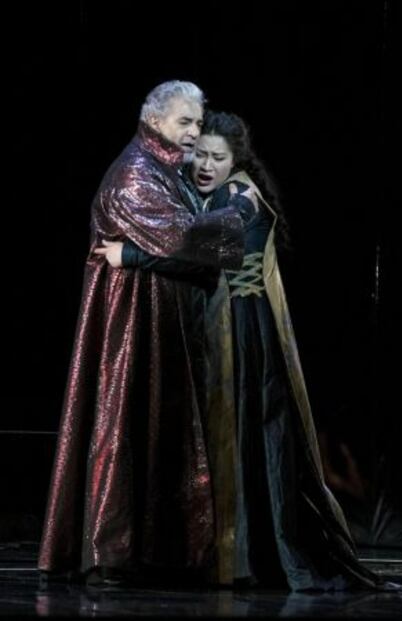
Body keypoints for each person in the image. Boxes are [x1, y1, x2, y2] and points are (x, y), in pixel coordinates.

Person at [100, 111, 402, 593]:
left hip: (244, 334)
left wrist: (129, 257)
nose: (205, 165)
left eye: (216, 157)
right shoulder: (220, 192)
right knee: (235, 443)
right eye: (199, 154)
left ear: (236, 159)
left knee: (240, 440)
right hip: (235, 328)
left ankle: (240, 557)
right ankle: (225, 553)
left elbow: (204, 255)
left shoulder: (238, 197)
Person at [38, 84, 254, 586]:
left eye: (198, 123)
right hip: (131, 329)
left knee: (157, 434)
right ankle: (112, 554)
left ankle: (152, 553)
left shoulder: (164, 167)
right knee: (125, 429)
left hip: (158, 326)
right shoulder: (136, 175)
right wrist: (241, 210)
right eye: (186, 122)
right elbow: (188, 240)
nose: (194, 132)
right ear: (155, 121)